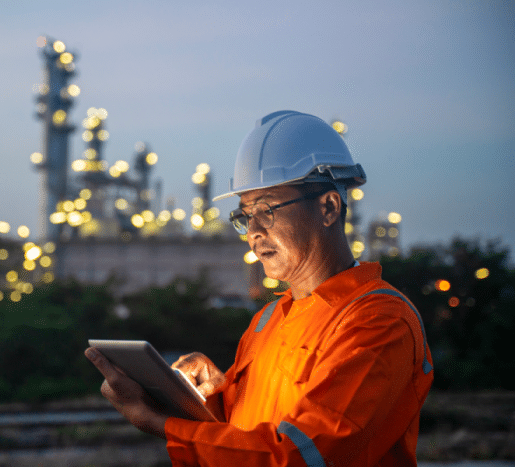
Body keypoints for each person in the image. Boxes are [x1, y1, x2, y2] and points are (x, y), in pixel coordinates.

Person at [85, 110, 433, 466]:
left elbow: (299, 455)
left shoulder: (378, 321)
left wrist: (162, 424)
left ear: (328, 208)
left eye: (267, 210)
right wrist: (199, 396)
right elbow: (241, 435)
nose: (254, 232)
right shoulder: (269, 319)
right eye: (245, 215)